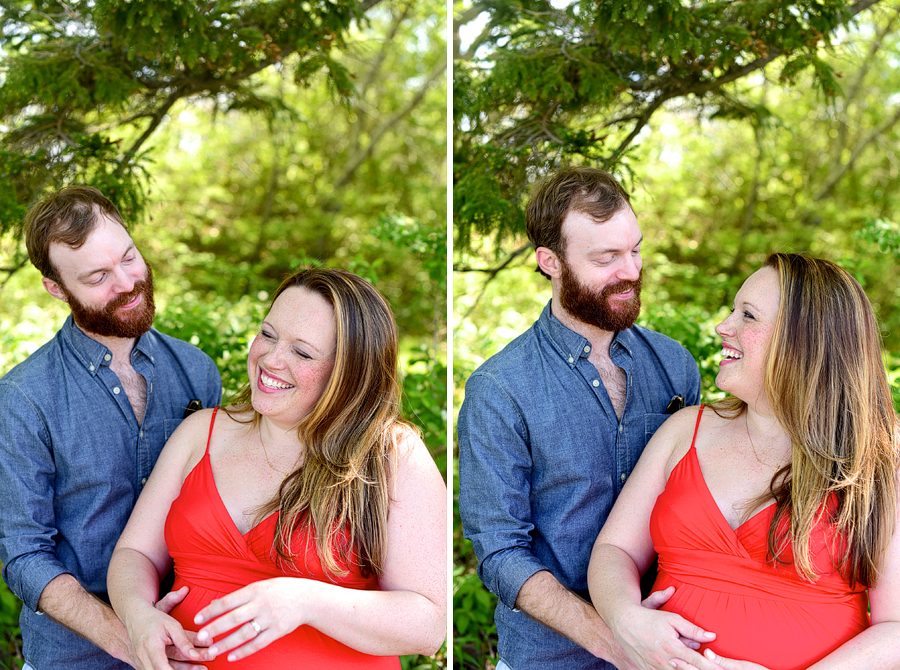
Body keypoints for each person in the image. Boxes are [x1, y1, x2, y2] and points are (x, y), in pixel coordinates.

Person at [107, 267, 447, 669]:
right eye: (268, 334)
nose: (270, 359)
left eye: (302, 352)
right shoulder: (202, 432)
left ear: (350, 373)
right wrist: (138, 615)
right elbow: (135, 553)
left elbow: (429, 626)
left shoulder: (391, 454)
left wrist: (305, 601)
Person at [588, 253, 900, 670]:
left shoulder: (879, 460)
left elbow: (895, 627)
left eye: (748, 316)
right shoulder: (685, 431)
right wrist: (625, 618)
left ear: (804, 340)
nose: (723, 327)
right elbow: (614, 549)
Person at [457, 166, 703, 669]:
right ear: (551, 261)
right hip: (549, 659)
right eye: (606, 258)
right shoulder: (499, 389)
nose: (631, 270)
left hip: (674, 646)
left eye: (634, 249)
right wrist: (619, 642)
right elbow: (501, 554)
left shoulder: (676, 366)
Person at [0, 186, 223, 669]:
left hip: (191, 647)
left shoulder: (198, 372)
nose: (127, 282)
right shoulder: (22, 399)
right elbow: (23, 556)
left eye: (129, 257)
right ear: (57, 288)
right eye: (99, 276)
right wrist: (131, 637)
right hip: (75, 657)